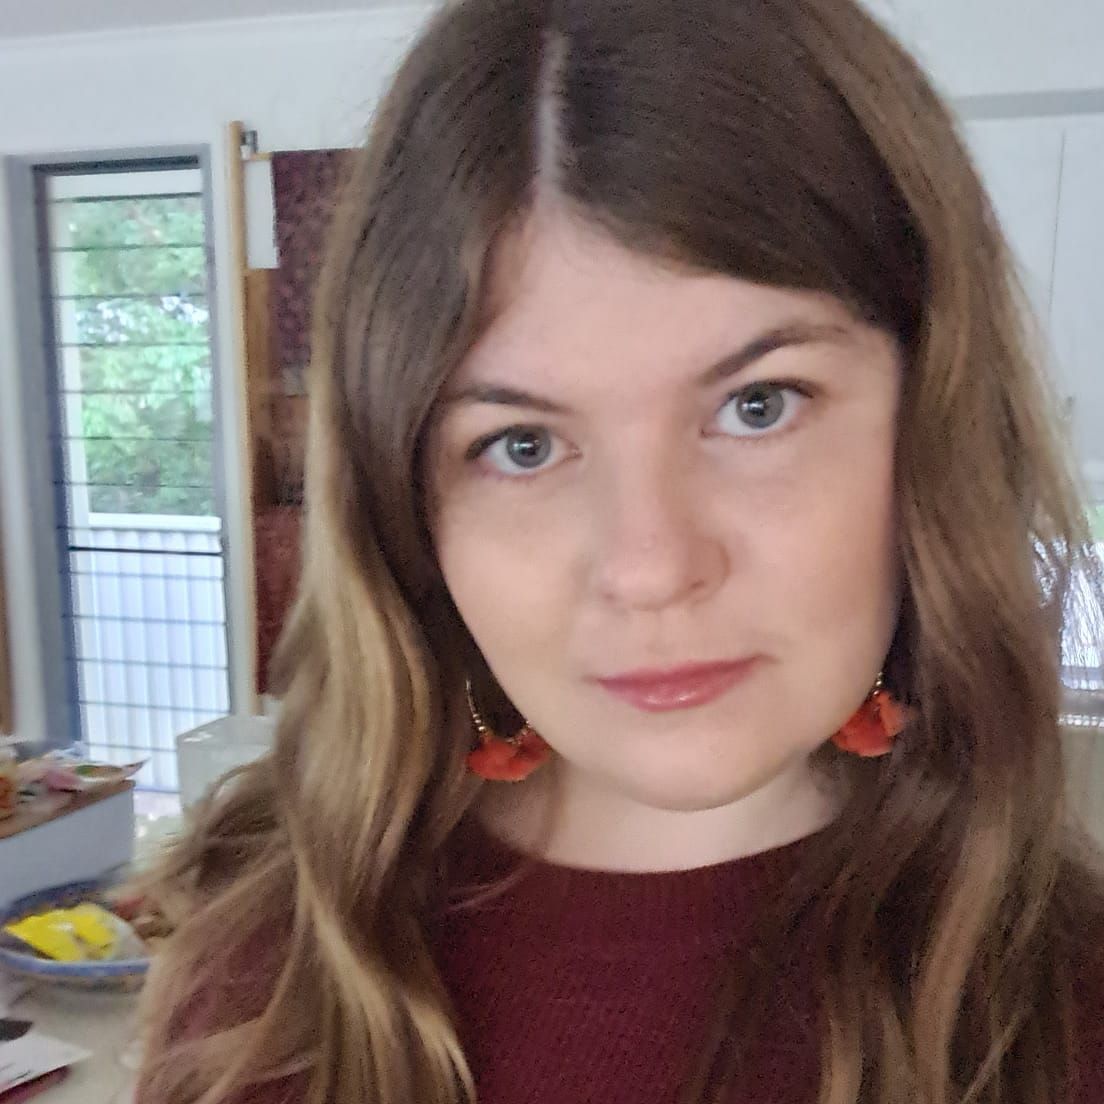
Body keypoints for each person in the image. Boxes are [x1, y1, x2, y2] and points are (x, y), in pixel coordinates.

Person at [135, 0, 1104, 1101]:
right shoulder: (261, 990)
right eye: (522, 444)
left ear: (933, 419)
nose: (650, 568)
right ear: (407, 509)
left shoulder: (1067, 1016)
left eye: (758, 405)